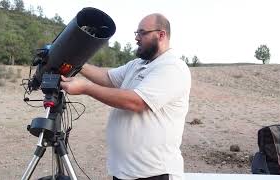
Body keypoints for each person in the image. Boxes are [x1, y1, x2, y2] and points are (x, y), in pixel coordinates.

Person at [61, 13, 191, 180]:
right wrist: (77, 64)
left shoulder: (172, 67)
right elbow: (108, 77)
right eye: (136, 33)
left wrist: (86, 87)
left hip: (155, 173)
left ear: (161, 35)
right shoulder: (138, 64)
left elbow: (136, 102)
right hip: (126, 172)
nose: (137, 38)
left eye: (142, 33)